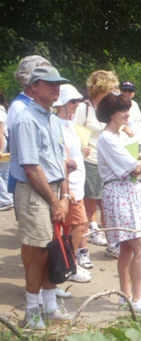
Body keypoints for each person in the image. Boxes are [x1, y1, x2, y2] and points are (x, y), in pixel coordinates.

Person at [10, 66, 73, 328]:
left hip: (56, 191)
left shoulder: (54, 119)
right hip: (36, 192)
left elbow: (62, 163)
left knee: (54, 250)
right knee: (37, 252)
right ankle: (33, 309)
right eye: (48, 83)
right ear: (34, 87)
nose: (55, 88)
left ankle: (49, 305)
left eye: (57, 83)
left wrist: (66, 196)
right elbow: (31, 167)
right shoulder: (26, 119)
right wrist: (54, 200)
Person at [96, 93, 141, 313]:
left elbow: (134, 160)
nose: (127, 113)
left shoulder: (117, 135)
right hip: (120, 192)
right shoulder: (108, 138)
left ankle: (126, 295)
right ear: (112, 114)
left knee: (126, 249)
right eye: (123, 110)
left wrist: (140, 158)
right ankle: (136, 298)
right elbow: (136, 167)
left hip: (127, 192)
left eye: (128, 109)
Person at [73, 70, 122, 257]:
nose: (115, 91)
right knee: (88, 207)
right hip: (90, 162)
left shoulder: (109, 108)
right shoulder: (83, 108)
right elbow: (74, 132)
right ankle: (82, 250)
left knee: (108, 206)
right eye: (112, 87)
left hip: (108, 164)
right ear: (102, 88)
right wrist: (79, 150)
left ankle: (112, 244)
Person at [53, 84, 93, 282]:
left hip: (77, 182)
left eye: (78, 100)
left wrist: (80, 155)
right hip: (68, 185)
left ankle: (68, 264)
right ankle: (69, 265)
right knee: (79, 224)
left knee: (74, 226)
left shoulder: (68, 124)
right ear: (62, 103)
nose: (77, 105)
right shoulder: (55, 124)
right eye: (73, 101)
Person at [6, 56, 52, 198]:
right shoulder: (19, 107)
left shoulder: (44, 106)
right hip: (28, 182)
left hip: (45, 179)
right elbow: (26, 154)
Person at [121, 82, 141, 173]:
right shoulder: (118, 104)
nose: (127, 93)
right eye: (124, 90)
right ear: (120, 91)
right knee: (130, 171)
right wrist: (123, 128)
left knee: (137, 171)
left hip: (139, 142)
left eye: (130, 91)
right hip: (128, 143)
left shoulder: (135, 104)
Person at [0, 91, 12, 211]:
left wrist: (0, 150)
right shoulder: (3, 110)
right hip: (7, 145)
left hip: (2, 144)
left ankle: (6, 200)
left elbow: (0, 132)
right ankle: (9, 198)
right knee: (5, 173)